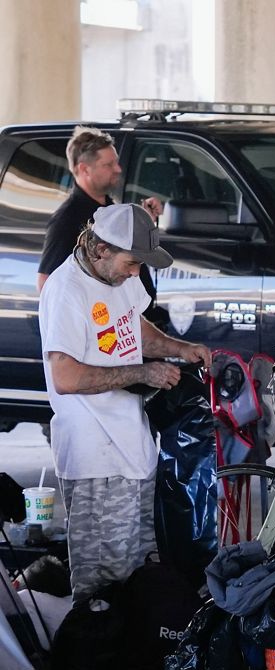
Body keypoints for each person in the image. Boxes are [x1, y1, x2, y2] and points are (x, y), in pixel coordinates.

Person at [39, 203, 211, 602]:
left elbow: (133, 324)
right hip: (95, 460)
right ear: (100, 250)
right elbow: (64, 377)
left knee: (140, 573)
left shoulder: (118, 279)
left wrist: (177, 348)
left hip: (133, 449)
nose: (136, 273)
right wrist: (142, 372)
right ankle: (101, 662)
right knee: (104, 588)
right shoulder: (65, 291)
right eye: (132, 263)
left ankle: (136, 661)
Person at [37, 127, 166, 322]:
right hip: (105, 335)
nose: (118, 169)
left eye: (116, 162)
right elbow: (46, 283)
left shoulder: (108, 208)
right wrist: (94, 323)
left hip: (131, 330)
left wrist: (144, 218)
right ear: (84, 169)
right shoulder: (67, 219)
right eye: (109, 164)